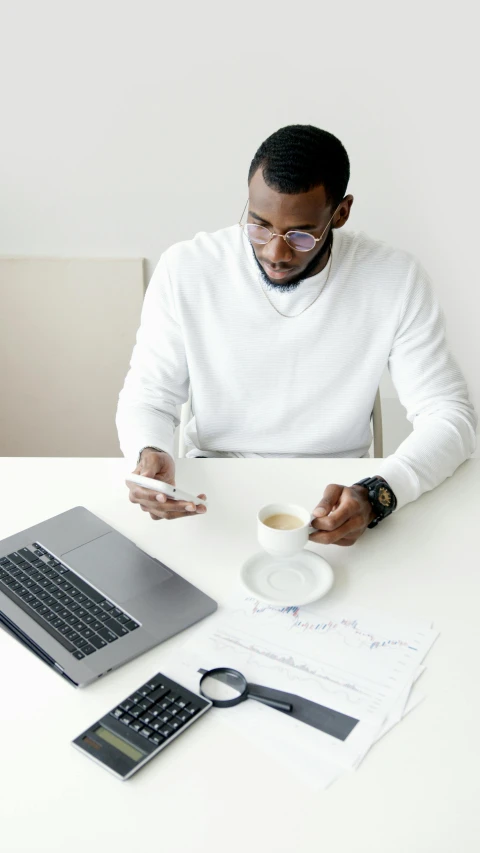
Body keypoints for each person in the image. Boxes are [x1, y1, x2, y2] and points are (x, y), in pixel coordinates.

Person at [116, 124, 477, 546]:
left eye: (301, 234)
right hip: (212, 487)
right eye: (259, 226)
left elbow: (451, 416)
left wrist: (378, 494)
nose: (275, 252)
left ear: (340, 214)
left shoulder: (393, 279)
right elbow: (148, 397)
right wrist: (150, 453)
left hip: (336, 494)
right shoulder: (187, 269)